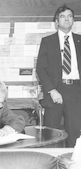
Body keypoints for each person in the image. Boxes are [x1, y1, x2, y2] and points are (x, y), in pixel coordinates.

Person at [36, 4, 81, 147]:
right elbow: (40, 69)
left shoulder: (80, 40)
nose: (66, 19)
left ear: (73, 20)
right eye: (62, 16)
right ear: (56, 22)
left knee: (75, 131)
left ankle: (72, 164)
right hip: (55, 89)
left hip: (76, 90)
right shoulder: (47, 41)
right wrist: (52, 90)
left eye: (69, 16)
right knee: (52, 131)